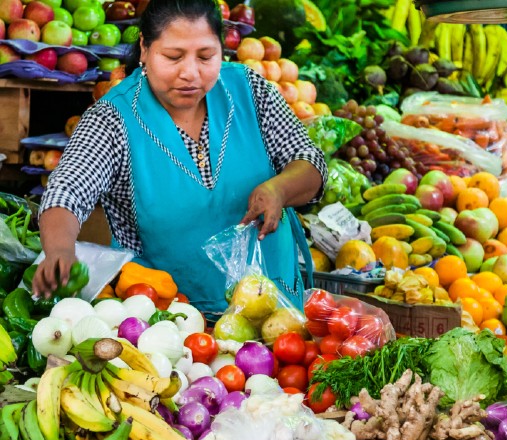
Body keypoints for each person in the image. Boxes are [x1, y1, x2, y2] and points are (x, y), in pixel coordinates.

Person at [34, 0, 326, 316]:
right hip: (173, 325)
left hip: (277, 316)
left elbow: (309, 161)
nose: (190, 73)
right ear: (145, 48)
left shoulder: (249, 90)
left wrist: (279, 190)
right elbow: (67, 190)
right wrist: (60, 251)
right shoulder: (113, 119)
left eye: (206, 56)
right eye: (173, 57)